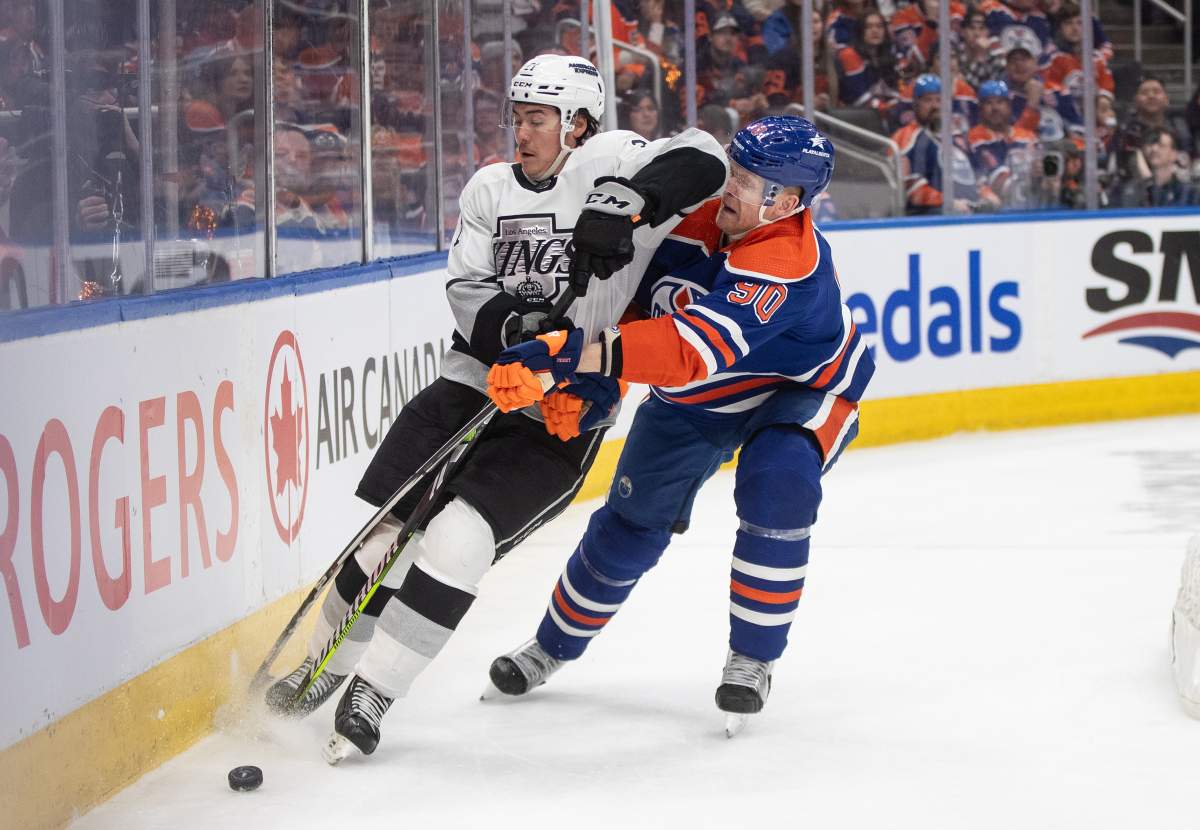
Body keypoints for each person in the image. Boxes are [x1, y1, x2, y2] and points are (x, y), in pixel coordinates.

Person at [264, 54, 727, 762]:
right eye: (516, 118)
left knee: (458, 538)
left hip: (560, 411)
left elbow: (705, 157)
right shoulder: (487, 188)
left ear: (576, 124)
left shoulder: (611, 157)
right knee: (387, 537)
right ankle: (319, 667)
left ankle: (375, 692)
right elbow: (466, 288)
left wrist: (630, 203)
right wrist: (521, 330)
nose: (521, 132)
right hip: (469, 382)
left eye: (537, 119)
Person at [483, 116, 874, 735]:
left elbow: (689, 347)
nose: (731, 186)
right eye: (735, 169)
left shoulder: (787, 261)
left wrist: (570, 353)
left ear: (789, 201)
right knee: (628, 528)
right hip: (697, 397)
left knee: (779, 480)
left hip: (799, 390)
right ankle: (552, 646)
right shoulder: (699, 219)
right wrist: (594, 382)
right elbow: (637, 309)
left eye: (749, 180)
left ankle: (752, 657)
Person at [892, 74, 990, 214]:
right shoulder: (905, 137)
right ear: (915, 104)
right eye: (928, 100)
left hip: (966, 208)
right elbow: (910, 189)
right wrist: (948, 202)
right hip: (928, 214)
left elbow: (977, 176)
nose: (934, 106)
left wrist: (988, 195)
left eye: (939, 100)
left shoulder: (957, 136)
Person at [968, 80, 1037, 208]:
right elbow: (985, 177)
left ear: (1009, 106)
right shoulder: (974, 138)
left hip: (1031, 199)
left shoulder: (1027, 136)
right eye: (989, 103)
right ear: (980, 108)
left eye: (1000, 102)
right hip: (995, 205)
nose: (995, 108)